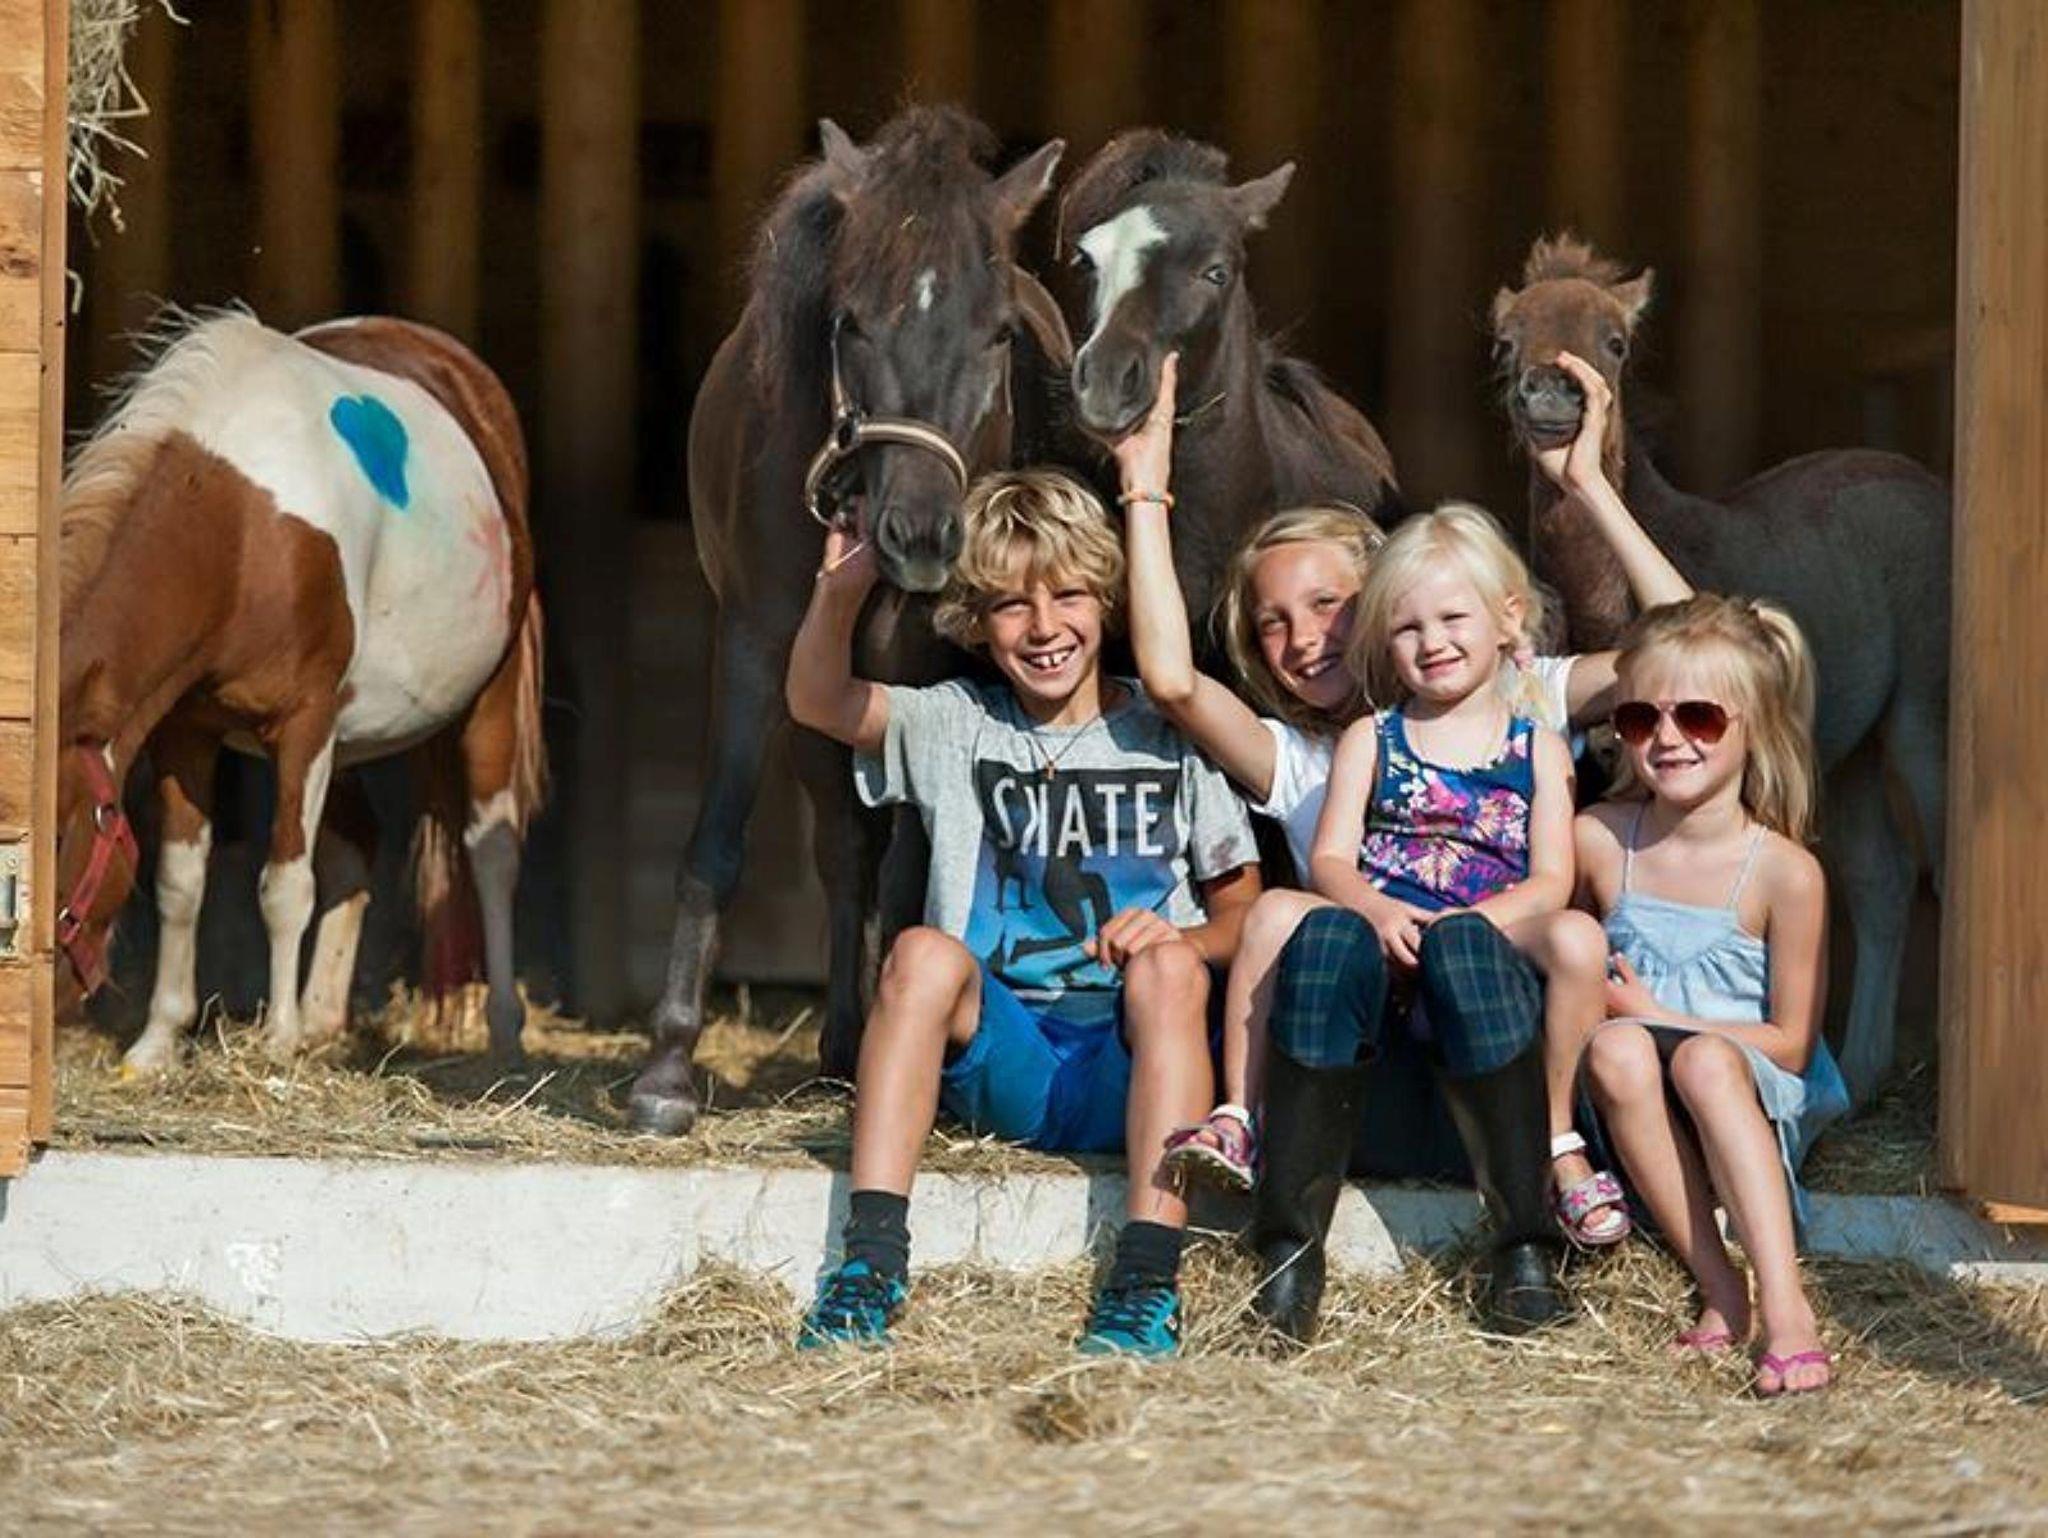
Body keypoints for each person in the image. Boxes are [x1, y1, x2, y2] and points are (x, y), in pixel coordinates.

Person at [1116, 352, 1689, 1248]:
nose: (1305, 640)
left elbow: (1689, 650)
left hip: (1502, 1060)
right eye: (1273, 622)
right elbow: (1170, 681)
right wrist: (1144, 489)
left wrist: (1585, 486)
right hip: (1364, 1070)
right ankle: (1249, 1133)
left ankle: (1551, 1169)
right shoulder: (1301, 759)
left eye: (1330, 605)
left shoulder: (1522, 699)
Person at [786, 469, 1262, 1357]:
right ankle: (870, 1265)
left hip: (1139, 1060)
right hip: (1010, 1061)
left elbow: (1245, 914)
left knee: (1169, 968)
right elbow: (818, 701)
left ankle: (1146, 1282)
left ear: (1106, 600)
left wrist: (1182, 936)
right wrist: (842, 587)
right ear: (976, 620)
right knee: (921, 953)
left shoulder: (1170, 737)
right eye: (1010, 605)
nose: (1044, 627)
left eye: (1069, 595)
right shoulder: (958, 723)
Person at [1249, 503, 1578, 1339]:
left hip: (1483, 1042)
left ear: (1507, 619)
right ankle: (1289, 1253)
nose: (1432, 642)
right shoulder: (1372, 737)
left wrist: (1463, 925)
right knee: (1328, 933)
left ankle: (1524, 1249)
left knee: (1466, 946)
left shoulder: (1537, 747)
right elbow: (1330, 861)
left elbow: (1553, 881)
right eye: (1407, 628)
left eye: (1452, 618)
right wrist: (1376, 906)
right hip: (1377, 1050)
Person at [1566, 595, 1849, 1396]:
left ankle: (1786, 1310)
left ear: (1755, 725)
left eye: (1698, 717)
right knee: (1618, 1048)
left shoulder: (1784, 872)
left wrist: (1663, 1016)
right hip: (1634, 1098)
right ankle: (1721, 1288)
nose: (1667, 738)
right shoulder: (1600, 839)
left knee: (1702, 1062)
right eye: (1639, 719)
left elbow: (1791, 1043)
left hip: (1746, 1092)